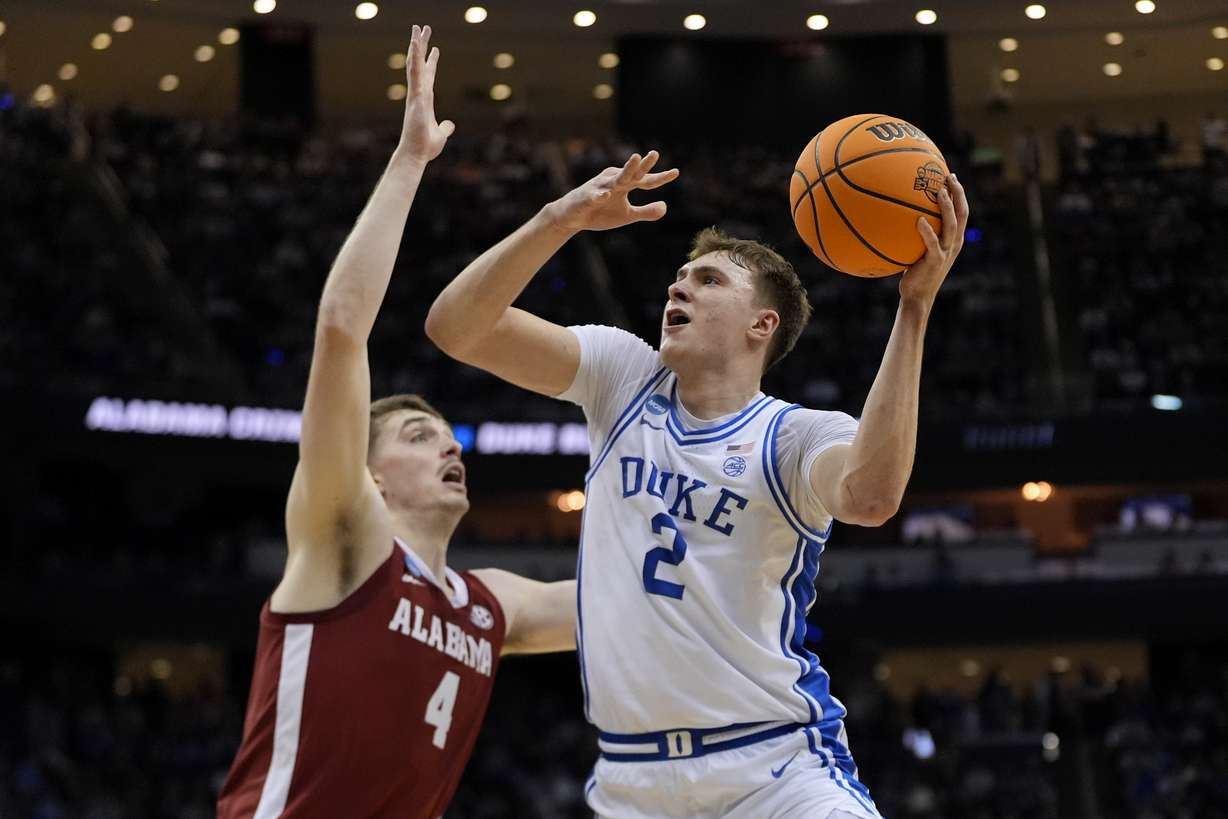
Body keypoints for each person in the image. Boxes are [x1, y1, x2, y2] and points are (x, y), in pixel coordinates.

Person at [427, 146, 969, 817]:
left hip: (773, 769)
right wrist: (558, 219)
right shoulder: (622, 376)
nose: (678, 288)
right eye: (679, 278)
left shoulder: (795, 435)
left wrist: (913, 308)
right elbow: (456, 328)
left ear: (761, 325)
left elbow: (872, 496)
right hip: (633, 782)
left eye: (707, 280)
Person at [216, 26, 575, 819]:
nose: (449, 442)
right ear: (368, 475)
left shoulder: (489, 605)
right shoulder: (346, 539)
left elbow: (627, 602)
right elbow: (343, 326)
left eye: (447, 433)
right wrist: (411, 160)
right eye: (418, 434)